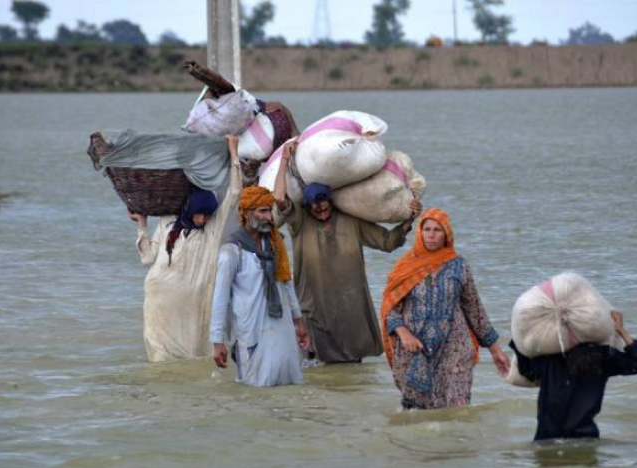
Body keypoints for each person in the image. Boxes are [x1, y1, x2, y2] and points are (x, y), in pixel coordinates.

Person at [273, 141, 421, 363]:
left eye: (324, 204)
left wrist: (409, 219)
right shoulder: (300, 223)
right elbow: (278, 198)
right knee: (315, 364)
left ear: (331, 202)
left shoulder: (351, 221)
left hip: (349, 306)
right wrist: (284, 159)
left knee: (352, 363)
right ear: (307, 206)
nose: (321, 209)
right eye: (315, 206)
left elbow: (388, 242)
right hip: (314, 306)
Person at [381, 208, 510, 409]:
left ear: (446, 235)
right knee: (416, 415)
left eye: (437, 230)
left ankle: (460, 440)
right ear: (420, 233)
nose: (431, 234)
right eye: (427, 229)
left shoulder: (458, 266)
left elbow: (475, 310)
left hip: (455, 349)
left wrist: (496, 350)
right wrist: (404, 333)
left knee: (457, 410)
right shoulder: (405, 267)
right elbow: (390, 309)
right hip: (414, 349)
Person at [128, 135, 242, 362]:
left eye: (207, 214)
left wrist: (233, 153)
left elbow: (235, 193)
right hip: (160, 299)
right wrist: (142, 224)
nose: (202, 219)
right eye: (199, 213)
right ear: (189, 209)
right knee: (160, 356)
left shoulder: (211, 229)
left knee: (194, 352)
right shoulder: (167, 223)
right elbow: (148, 257)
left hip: (193, 301)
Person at [209, 186, 310, 387]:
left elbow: (287, 283)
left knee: (285, 379)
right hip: (250, 328)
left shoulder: (275, 244)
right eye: (262, 211)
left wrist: (298, 321)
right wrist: (217, 341)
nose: (268, 217)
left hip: (280, 325)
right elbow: (220, 298)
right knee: (253, 385)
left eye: (269, 211)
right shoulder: (231, 251)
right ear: (246, 214)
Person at [510, 310, 637, 441]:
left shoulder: (550, 357)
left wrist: (519, 340)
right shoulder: (603, 357)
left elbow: (528, 372)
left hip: (547, 438)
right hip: (585, 438)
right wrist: (621, 330)